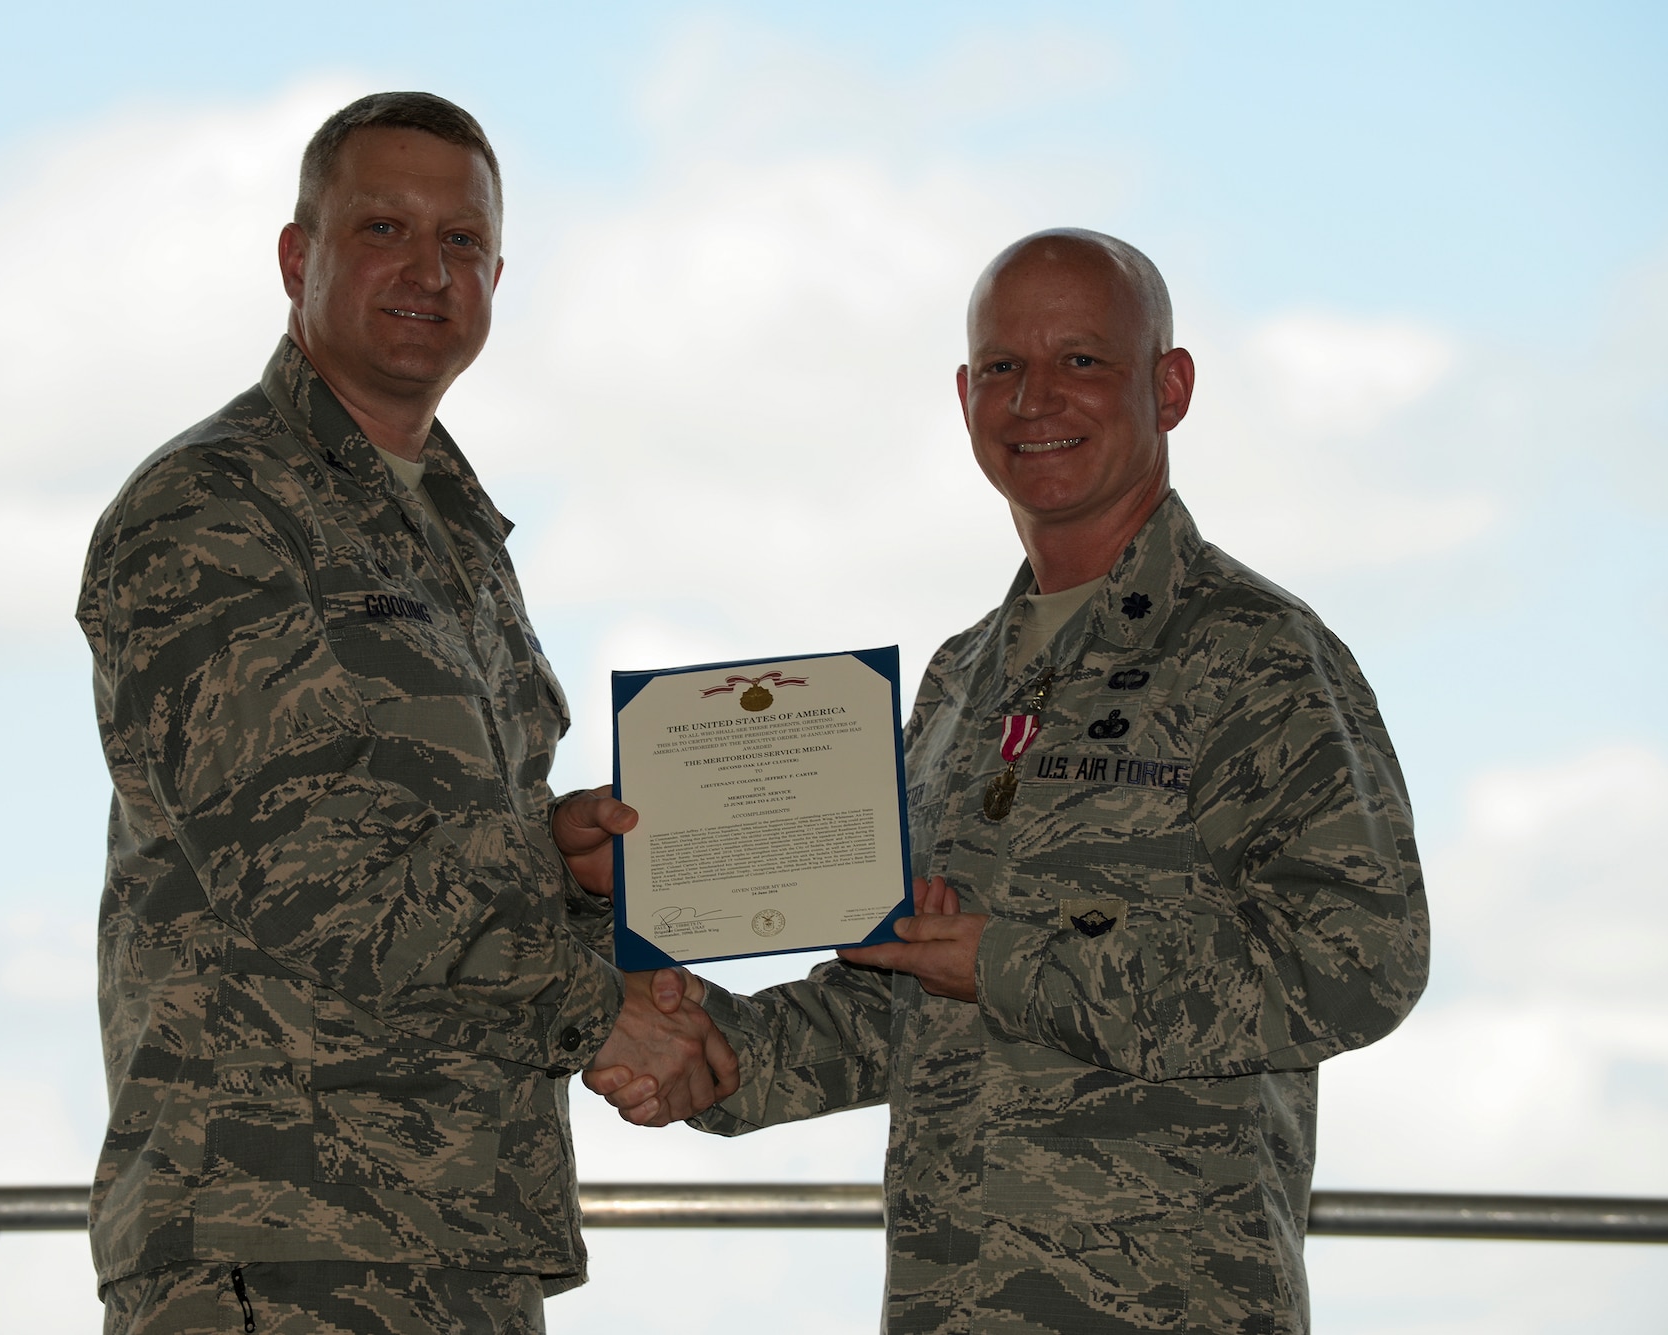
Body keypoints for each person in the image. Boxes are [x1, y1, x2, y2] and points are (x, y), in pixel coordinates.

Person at [587, 229, 1430, 1334]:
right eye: (1001, 368)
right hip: (953, 1301)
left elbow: (1360, 959)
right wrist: (719, 1056)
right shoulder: (958, 680)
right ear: (963, 396)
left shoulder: (1254, 653)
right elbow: (897, 989)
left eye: (1080, 360)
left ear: (1166, 387)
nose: (1035, 400)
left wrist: (1014, 960)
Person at [77, 91, 736, 1335]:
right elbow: (310, 881)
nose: (428, 271)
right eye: (383, 229)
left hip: (458, 1230)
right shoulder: (212, 509)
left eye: (463, 243)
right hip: (276, 1240)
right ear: (297, 257)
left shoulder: (458, 530)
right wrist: (601, 1011)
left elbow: (452, 860)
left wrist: (572, 870)